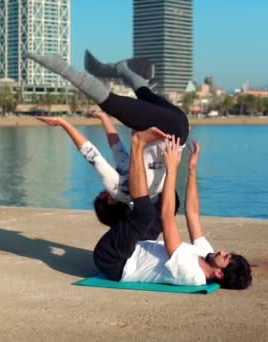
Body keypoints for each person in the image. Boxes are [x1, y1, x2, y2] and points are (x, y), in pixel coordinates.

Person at [29, 51, 187, 226]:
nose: (103, 191)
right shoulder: (119, 189)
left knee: (144, 94)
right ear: (111, 201)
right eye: (102, 195)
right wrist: (64, 123)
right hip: (166, 128)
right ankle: (59, 66)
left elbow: (116, 146)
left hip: (181, 126)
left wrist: (104, 119)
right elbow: (93, 156)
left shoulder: (136, 187)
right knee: (112, 102)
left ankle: (122, 69)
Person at [94, 129, 252, 289]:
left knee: (145, 214)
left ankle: (137, 143)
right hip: (137, 245)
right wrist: (192, 170)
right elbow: (193, 214)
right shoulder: (206, 254)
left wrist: (172, 168)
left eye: (226, 257)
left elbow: (167, 218)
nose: (222, 251)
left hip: (115, 260)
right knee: (172, 200)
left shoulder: (191, 274)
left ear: (219, 273)